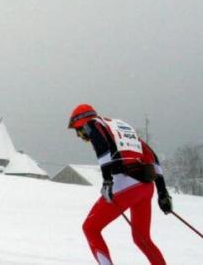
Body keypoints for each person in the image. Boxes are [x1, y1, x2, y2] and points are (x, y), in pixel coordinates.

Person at [68, 104, 171, 265]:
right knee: (142, 238)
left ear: (81, 123)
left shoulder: (92, 124)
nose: (80, 136)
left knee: (90, 228)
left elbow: (103, 149)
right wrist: (163, 193)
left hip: (126, 183)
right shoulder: (120, 127)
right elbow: (153, 157)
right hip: (146, 186)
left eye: (78, 132)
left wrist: (107, 181)